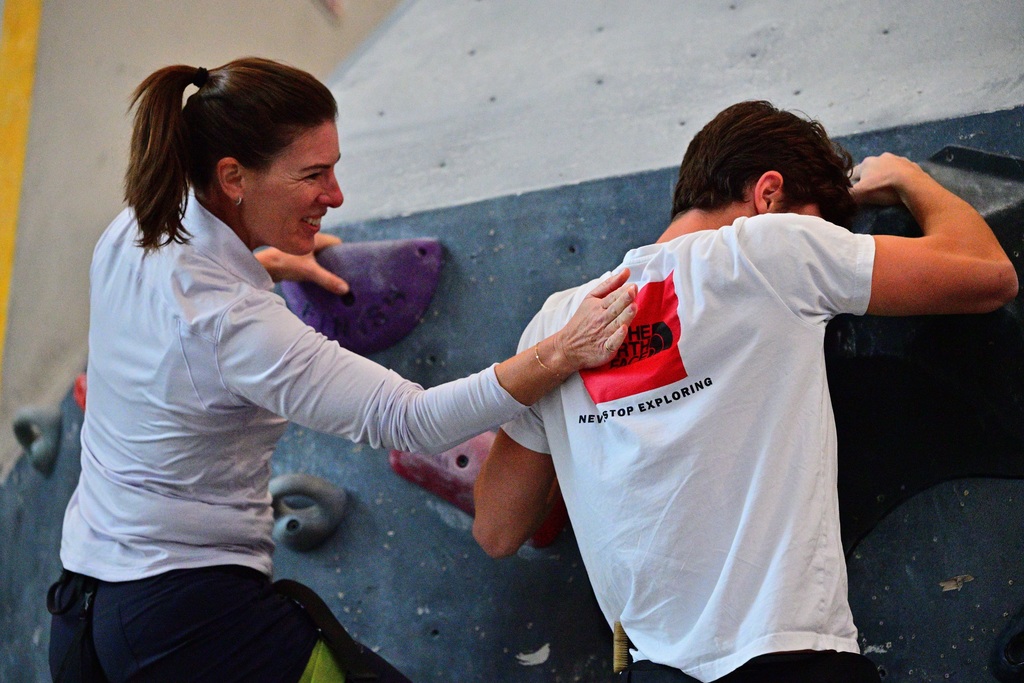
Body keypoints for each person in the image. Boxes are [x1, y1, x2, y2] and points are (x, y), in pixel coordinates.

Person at [47, 57, 637, 683]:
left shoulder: (134, 229)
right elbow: (411, 420)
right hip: (191, 628)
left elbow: (183, 319)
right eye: (314, 175)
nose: (336, 195)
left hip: (88, 609)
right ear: (233, 176)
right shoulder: (235, 326)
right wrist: (560, 352)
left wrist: (267, 261)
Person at [472, 100, 1018, 682]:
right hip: (789, 659)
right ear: (769, 194)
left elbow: (497, 528)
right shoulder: (769, 251)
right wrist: (907, 176)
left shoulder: (556, 326)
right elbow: (988, 274)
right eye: (814, 221)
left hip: (654, 671)